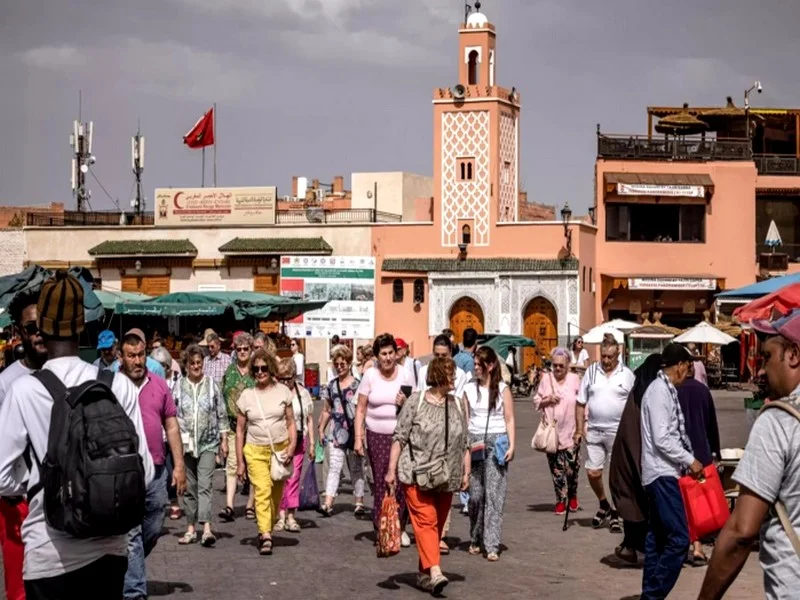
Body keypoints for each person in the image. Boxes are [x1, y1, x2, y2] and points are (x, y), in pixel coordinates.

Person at [0, 271, 154, 599]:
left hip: (49, 553)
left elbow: (1, 476)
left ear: (41, 324)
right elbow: (147, 470)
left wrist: (35, 483)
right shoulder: (117, 384)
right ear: (82, 325)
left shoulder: (23, 390)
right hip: (110, 551)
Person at [699, 313, 800, 600]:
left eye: (767, 357)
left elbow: (741, 532)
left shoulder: (779, 421)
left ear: (793, 355)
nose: (762, 371)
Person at [386, 357, 470, 595]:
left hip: (447, 475)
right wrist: (391, 471)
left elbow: (465, 440)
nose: (454, 377)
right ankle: (435, 571)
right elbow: (399, 437)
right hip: (415, 473)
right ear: (438, 375)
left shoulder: (458, 403)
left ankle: (424, 574)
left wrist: (466, 471)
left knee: (437, 525)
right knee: (426, 522)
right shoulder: (416, 401)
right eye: (450, 373)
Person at [119, 328, 186, 600]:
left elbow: (171, 425)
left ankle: (126, 566)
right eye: (131, 356)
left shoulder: (158, 385)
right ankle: (135, 591)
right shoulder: (113, 385)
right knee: (132, 535)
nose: (137, 361)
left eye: (140, 355)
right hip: (124, 473)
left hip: (157, 470)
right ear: (121, 357)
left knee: (155, 524)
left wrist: (179, 466)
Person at [639, 343, 704, 600]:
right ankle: (653, 595)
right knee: (679, 538)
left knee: (658, 537)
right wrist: (690, 460)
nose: (688, 373)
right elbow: (662, 438)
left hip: (664, 471)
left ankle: (650, 593)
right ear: (678, 366)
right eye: (687, 368)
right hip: (661, 472)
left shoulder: (666, 391)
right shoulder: (658, 392)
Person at [0, 289, 48, 600]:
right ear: (18, 332)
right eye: (31, 328)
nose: (40, 333)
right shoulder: (7, 382)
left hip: (61, 497)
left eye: (44, 324)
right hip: (17, 500)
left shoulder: (65, 374)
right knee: (19, 590)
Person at [354, 333, 415, 546]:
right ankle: (382, 525)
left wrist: (406, 401)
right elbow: (360, 409)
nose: (388, 358)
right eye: (383, 354)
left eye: (391, 353)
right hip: (376, 435)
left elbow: (415, 405)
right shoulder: (370, 375)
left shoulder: (406, 374)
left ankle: (400, 525)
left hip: (400, 435)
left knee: (400, 480)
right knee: (381, 480)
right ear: (377, 356)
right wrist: (359, 438)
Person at [235, 349, 297, 555]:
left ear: (270, 368)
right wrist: (240, 462)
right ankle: (266, 534)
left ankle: (266, 526)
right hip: (254, 450)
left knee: (276, 494)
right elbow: (240, 431)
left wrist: (291, 446)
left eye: (264, 368)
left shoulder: (283, 392)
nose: (260, 372)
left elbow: (290, 422)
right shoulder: (246, 396)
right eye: (256, 369)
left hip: (279, 450)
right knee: (262, 489)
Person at [575, 335, 635, 532]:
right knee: (593, 472)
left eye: (610, 357)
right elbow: (580, 402)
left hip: (618, 432)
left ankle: (617, 511)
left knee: (616, 475)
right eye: (603, 356)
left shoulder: (627, 375)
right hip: (594, 430)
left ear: (618, 354)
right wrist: (578, 429)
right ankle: (604, 504)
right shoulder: (591, 372)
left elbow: (634, 405)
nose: (606, 361)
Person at [609, 353, 663, 564]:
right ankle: (640, 549)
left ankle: (631, 547)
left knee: (634, 502)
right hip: (638, 458)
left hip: (628, 458)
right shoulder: (648, 395)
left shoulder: (638, 392)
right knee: (642, 504)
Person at [465, 346, 516, 561]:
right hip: (475, 441)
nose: (475, 368)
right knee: (476, 494)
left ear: (491, 365)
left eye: (479, 365)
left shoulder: (503, 389)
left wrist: (512, 445)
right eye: (474, 364)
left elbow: (509, 418)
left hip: (497, 441)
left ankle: (492, 543)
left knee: (495, 494)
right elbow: (465, 419)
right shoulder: (468, 389)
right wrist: (463, 449)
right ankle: (476, 536)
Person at [174, 344, 228, 547]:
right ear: (186, 365)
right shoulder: (179, 386)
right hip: (185, 444)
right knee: (189, 487)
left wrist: (224, 440)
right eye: (193, 363)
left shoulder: (212, 384)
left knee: (205, 485)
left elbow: (221, 413)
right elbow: (172, 414)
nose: (196, 366)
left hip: (208, 442)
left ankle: (206, 528)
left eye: (199, 363)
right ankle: (190, 528)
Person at [418, 334, 471, 523]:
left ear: (450, 353)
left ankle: (440, 534)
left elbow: (459, 404)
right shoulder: (424, 371)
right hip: (427, 436)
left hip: (450, 435)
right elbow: (419, 398)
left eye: (444, 356)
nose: (440, 360)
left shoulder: (460, 375)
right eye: (437, 356)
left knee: (445, 483)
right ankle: (429, 528)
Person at [677, 361, 721, 567]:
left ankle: (693, 544)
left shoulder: (674, 391)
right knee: (699, 501)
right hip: (702, 451)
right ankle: (698, 546)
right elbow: (712, 424)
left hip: (680, 453)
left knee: (684, 500)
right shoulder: (703, 390)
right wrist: (716, 451)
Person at [318, 344, 365, 516]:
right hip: (337, 432)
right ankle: (328, 502)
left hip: (354, 432)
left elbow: (363, 410)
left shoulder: (358, 385)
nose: (339, 367)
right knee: (334, 467)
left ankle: (359, 502)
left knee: (356, 468)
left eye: (343, 364)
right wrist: (321, 430)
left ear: (349, 363)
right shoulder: (331, 386)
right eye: (336, 364)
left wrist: (362, 433)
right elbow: (326, 409)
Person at [533, 347, 581, 515]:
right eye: (555, 366)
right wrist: (547, 400)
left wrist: (583, 426)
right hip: (552, 432)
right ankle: (560, 499)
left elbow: (582, 402)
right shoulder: (546, 379)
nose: (558, 369)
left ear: (567, 365)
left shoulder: (575, 379)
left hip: (571, 430)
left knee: (572, 467)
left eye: (561, 366)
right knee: (556, 470)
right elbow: (536, 400)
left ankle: (573, 494)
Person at [219, 332, 256, 523]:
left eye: (245, 349)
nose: (242, 352)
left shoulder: (257, 371)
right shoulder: (230, 372)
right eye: (239, 349)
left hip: (254, 428)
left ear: (251, 350)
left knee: (252, 465)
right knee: (232, 464)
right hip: (233, 425)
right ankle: (230, 505)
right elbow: (222, 399)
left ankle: (250, 505)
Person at [275, 357, 314, 532]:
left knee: (293, 478)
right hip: (279, 441)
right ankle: (280, 515)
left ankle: (290, 515)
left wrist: (313, 443)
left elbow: (309, 419)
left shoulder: (302, 393)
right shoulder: (274, 391)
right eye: (281, 378)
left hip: (298, 440)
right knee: (279, 478)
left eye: (288, 378)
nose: (285, 382)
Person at [151, 346, 184, 521]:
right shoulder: (150, 381)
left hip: (172, 430)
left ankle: (174, 502)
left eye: (162, 366)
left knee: (172, 468)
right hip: (156, 432)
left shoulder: (178, 380)